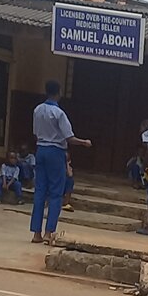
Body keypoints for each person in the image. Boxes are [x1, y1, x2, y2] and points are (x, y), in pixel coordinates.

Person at [30, 80, 91, 246]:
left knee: (40, 191)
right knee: (56, 192)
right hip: (55, 151)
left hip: (41, 149)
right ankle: (49, 232)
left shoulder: (38, 110)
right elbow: (69, 138)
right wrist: (84, 142)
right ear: (58, 93)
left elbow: (35, 133)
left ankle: (36, 232)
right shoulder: (59, 113)